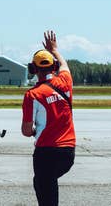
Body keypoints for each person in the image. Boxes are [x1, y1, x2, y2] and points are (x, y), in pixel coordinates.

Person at [21, 30, 75, 206]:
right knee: (47, 184)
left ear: (33, 70)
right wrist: (55, 49)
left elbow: (26, 131)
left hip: (46, 153)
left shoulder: (32, 95)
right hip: (68, 153)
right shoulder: (65, 82)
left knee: (44, 190)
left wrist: (36, 131)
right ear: (54, 67)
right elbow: (65, 65)